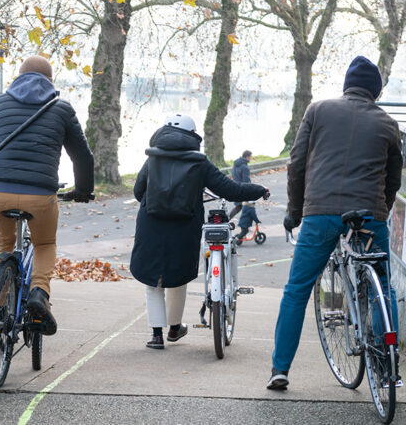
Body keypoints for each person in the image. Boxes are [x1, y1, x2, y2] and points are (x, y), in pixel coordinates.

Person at [268, 56, 402, 390]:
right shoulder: (388, 124)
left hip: (321, 213)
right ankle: (387, 369)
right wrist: (380, 211)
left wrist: (295, 212)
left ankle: (280, 370)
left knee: (297, 289)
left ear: (346, 85)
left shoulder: (318, 110)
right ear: (375, 91)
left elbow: (296, 163)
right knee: (382, 290)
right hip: (368, 216)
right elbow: (393, 180)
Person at [0, 55, 94, 336]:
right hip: (40, 194)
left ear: (18, 77)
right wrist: (83, 190)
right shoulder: (61, 108)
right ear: (50, 81)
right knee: (44, 243)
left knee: (3, 239)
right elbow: (82, 157)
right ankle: (39, 293)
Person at [130, 114, 268, 350]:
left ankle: (156, 336)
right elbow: (230, 190)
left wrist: (154, 206)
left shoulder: (152, 158)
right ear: (192, 137)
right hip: (184, 226)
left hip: (151, 224)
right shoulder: (198, 162)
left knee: (153, 280)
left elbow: (138, 190)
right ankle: (175, 328)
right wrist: (258, 190)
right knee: (177, 276)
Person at [228, 150, 253, 219]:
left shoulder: (236, 164)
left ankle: (227, 219)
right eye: (251, 156)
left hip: (235, 187)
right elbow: (246, 181)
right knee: (247, 207)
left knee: (239, 207)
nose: (251, 158)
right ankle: (244, 226)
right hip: (242, 189)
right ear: (247, 157)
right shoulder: (245, 167)